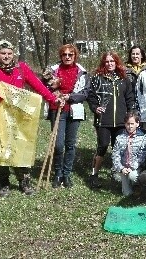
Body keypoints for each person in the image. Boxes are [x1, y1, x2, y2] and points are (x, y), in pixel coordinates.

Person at [0, 39, 63, 197]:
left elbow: (37, 85)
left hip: (19, 114)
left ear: (13, 54)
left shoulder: (21, 68)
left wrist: (52, 99)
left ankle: (24, 181)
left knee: (20, 145)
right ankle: (4, 183)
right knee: (0, 147)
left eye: (9, 53)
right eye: (3, 53)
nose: (6, 56)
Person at [42, 44, 89, 189]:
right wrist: (55, 95)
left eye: (70, 54)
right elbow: (44, 87)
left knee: (70, 144)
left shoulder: (82, 72)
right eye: (64, 55)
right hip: (57, 109)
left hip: (74, 110)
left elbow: (85, 93)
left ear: (75, 56)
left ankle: (67, 173)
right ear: (61, 56)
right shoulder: (53, 70)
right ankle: (57, 173)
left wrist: (70, 97)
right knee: (58, 144)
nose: (67, 57)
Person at [86, 51, 136, 188]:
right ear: (103, 63)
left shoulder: (124, 78)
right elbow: (91, 96)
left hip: (121, 120)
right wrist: (95, 107)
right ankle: (94, 174)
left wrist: (130, 113)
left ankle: (117, 174)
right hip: (103, 120)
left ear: (117, 62)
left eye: (112, 61)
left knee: (118, 147)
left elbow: (130, 97)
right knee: (102, 145)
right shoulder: (97, 78)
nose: (110, 64)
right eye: (107, 61)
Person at [111, 112, 146, 196]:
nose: (130, 126)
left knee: (132, 176)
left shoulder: (143, 138)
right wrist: (121, 168)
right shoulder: (119, 138)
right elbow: (115, 155)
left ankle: (138, 185)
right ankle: (127, 185)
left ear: (137, 124)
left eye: (132, 124)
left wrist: (132, 167)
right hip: (123, 167)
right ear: (125, 124)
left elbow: (142, 156)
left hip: (136, 167)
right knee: (127, 194)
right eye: (128, 124)